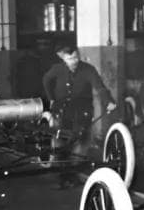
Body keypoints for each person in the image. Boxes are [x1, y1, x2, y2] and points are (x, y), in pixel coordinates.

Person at [42, 44, 116, 188]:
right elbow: (46, 79)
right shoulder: (57, 69)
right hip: (62, 110)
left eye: (76, 57)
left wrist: (108, 101)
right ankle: (63, 175)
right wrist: (51, 97)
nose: (74, 61)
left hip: (82, 110)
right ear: (63, 59)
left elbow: (99, 87)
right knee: (60, 142)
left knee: (82, 141)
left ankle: (72, 173)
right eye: (70, 59)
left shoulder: (88, 69)